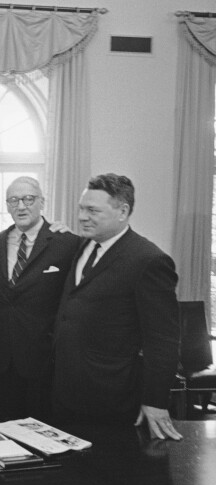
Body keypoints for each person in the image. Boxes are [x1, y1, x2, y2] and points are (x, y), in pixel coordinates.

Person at [53, 173, 182, 440]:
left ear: (122, 211)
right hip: (67, 393)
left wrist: (156, 401)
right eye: (81, 209)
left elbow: (163, 340)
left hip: (112, 398)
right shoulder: (85, 246)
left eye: (92, 210)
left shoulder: (149, 261)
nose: (82, 217)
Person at [0, 177, 79, 422]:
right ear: (7, 205)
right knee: (7, 431)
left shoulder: (67, 243)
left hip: (46, 359)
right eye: (14, 200)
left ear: (42, 203)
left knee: (47, 432)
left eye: (29, 199)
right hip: (3, 360)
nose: (21, 206)